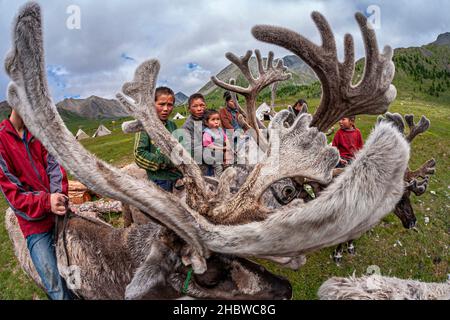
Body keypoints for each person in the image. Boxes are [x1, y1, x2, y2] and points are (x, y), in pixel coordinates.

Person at [0, 109, 72, 300]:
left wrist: (58, 194)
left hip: (59, 213)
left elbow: (54, 165)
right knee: (56, 288)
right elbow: (13, 195)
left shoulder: (38, 132)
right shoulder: (1, 140)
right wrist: (45, 201)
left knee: (76, 275)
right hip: (34, 224)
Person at [134, 87, 182, 192]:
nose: (166, 109)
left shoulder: (172, 125)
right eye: (161, 104)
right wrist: (165, 162)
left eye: (169, 105)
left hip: (176, 176)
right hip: (159, 179)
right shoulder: (145, 125)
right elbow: (139, 155)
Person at [331, 116, 364, 263]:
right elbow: (334, 148)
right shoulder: (339, 133)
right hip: (342, 163)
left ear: (351, 121)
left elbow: (361, 150)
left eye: (343, 119)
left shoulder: (357, 133)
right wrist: (338, 159)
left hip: (354, 163)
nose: (340, 121)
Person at [202, 109, 231, 177]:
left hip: (219, 152)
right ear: (206, 122)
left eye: (218, 119)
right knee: (218, 167)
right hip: (211, 155)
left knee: (230, 154)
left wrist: (228, 145)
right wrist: (223, 148)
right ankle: (218, 181)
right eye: (213, 119)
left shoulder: (220, 130)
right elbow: (210, 146)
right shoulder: (207, 133)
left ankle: (226, 165)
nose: (216, 122)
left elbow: (225, 138)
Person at [182, 93, 206, 165]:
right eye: (195, 106)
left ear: (206, 106)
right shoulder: (187, 127)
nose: (199, 109)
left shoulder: (210, 119)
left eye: (202, 105)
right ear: (189, 109)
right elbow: (192, 148)